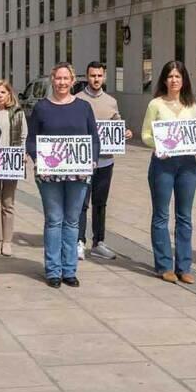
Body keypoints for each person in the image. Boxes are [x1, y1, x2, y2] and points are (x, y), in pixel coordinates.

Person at [25, 63, 98, 287]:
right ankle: (53, 270)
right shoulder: (41, 108)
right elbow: (31, 139)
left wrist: (93, 159)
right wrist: (37, 157)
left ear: (73, 80)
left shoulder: (84, 107)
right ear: (52, 80)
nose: (62, 83)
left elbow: (93, 138)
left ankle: (69, 270)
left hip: (78, 173)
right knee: (54, 220)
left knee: (72, 221)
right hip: (50, 176)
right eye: (58, 78)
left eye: (66, 78)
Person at [140, 61, 196, 284]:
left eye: (178, 76)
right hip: (163, 164)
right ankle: (164, 265)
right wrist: (157, 145)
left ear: (184, 80)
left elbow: (192, 134)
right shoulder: (155, 104)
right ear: (164, 80)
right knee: (161, 215)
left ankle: (184, 266)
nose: (174, 80)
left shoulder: (191, 104)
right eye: (170, 76)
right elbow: (146, 135)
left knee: (184, 216)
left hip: (187, 165)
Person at [75, 61, 125, 261]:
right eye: (92, 75)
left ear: (104, 77)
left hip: (105, 161)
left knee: (100, 203)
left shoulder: (111, 101)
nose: (96, 79)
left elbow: (117, 124)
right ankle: (79, 241)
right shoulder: (77, 100)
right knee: (81, 203)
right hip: (84, 161)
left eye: (99, 75)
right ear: (87, 77)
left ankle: (99, 242)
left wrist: (124, 131)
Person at [0, 79, 25, 257]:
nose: (0, 95)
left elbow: (24, 135)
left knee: (8, 202)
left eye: (3, 92)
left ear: (9, 94)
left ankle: (7, 241)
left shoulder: (17, 112)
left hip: (11, 161)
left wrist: (22, 154)